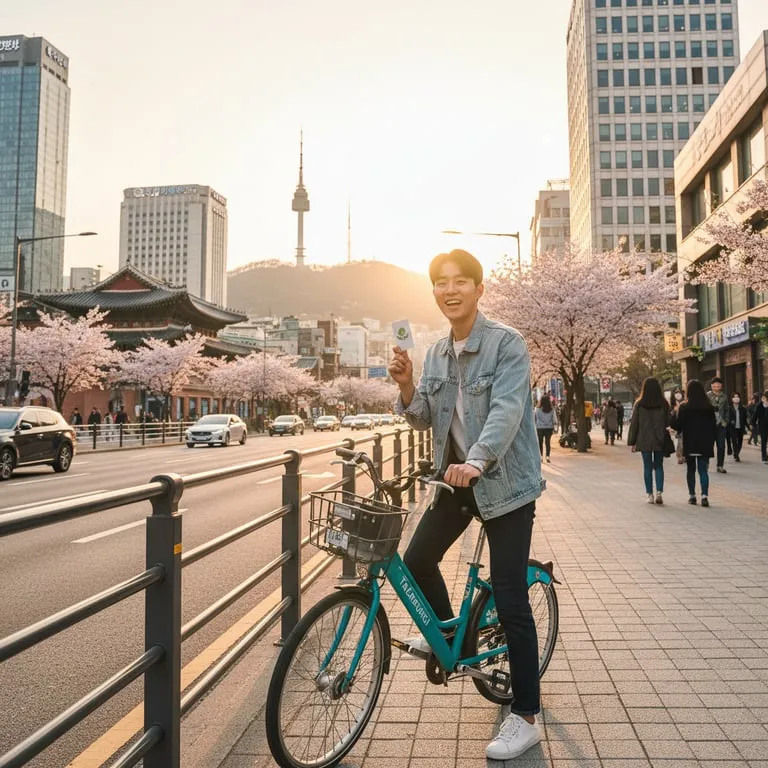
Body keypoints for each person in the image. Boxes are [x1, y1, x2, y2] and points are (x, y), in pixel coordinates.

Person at [389, 248, 544, 761]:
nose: (449, 290)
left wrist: (476, 461)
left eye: (460, 282)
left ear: (480, 289)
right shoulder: (434, 353)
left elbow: (505, 411)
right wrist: (407, 384)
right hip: (455, 482)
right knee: (414, 561)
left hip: (503, 484)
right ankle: (452, 639)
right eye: (440, 283)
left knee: (510, 594)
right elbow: (423, 418)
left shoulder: (506, 344)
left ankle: (524, 715)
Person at [671, 379, 716, 506]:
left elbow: (678, 425)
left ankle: (692, 496)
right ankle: (704, 496)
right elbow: (714, 426)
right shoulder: (708, 407)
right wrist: (713, 441)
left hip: (690, 442)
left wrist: (674, 414)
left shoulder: (685, 407)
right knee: (703, 470)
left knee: (690, 470)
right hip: (705, 443)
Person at [627, 377, 670, 505]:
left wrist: (632, 441)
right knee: (658, 466)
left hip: (643, 438)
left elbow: (634, 423)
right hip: (659, 438)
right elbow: (668, 421)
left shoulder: (639, 404)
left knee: (647, 466)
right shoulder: (663, 404)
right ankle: (659, 493)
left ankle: (649, 494)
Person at [707, 377, 729, 473]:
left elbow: (727, 409)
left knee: (721, 446)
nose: (716, 387)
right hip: (710, 425)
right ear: (711, 385)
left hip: (721, 424)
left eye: (718, 385)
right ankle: (706, 464)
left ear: (721, 386)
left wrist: (726, 421)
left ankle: (720, 465)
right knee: (708, 445)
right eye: (715, 385)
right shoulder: (707, 396)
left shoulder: (724, 397)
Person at [534, 394, 558, 463]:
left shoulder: (537, 409)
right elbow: (554, 419)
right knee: (548, 442)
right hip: (549, 428)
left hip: (539, 427)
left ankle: (540, 456)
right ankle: (547, 456)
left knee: (540, 442)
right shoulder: (552, 409)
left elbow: (534, 418)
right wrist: (555, 425)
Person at [727, 392, 747, 463]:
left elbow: (745, 419)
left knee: (740, 442)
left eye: (737, 396)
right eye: (734, 397)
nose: (736, 398)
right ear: (732, 399)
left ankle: (737, 452)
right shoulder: (729, 408)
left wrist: (748, 427)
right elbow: (727, 418)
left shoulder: (743, 409)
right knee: (734, 441)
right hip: (732, 428)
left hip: (740, 427)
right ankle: (736, 455)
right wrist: (730, 421)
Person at [671, 387, 686, 464]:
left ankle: (683, 456)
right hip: (676, 425)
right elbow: (670, 415)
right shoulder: (672, 404)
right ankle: (680, 456)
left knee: (682, 441)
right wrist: (674, 410)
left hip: (684, 424)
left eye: (679, 392)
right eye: (676, 392)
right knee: (680, 441)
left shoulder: (685, 402)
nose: (678, 394)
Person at [754, 391, 768, 465]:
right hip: (763, 427)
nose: (764, 399)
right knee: (763, 442)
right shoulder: (759, 405)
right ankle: (764, 457)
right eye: (764, 397)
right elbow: (755, 415)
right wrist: (753, 424)